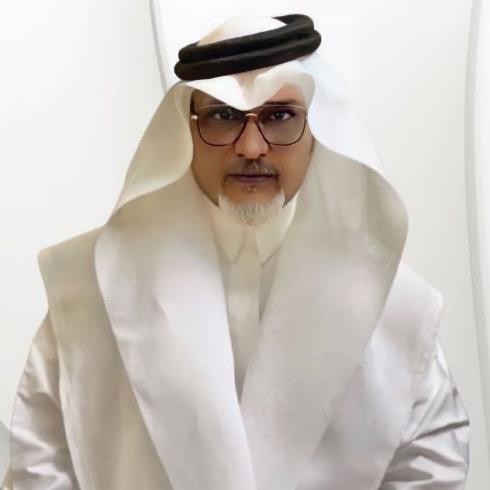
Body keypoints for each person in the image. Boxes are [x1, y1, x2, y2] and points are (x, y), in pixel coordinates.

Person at [2, 13, 469, 490]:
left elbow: (431, 466)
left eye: (279, 116)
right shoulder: (90, 287)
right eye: (223, 116)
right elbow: (40, 461)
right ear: (187, 130)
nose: (251, 146)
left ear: (318, 129)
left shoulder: (393, 306)